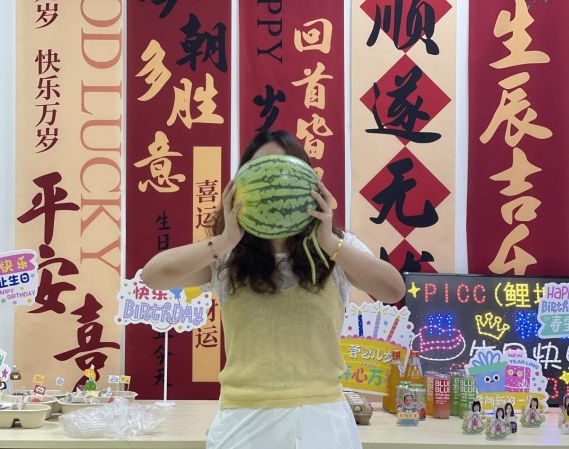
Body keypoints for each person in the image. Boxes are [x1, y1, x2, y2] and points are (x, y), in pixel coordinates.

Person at [141, 130, 406, 449]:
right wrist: (224, 241)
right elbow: (153, 276)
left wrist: (329, 242)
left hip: (322, 417)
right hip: (243, 416)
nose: (276, 181)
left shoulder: (336, 248)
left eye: (286, 169)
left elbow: (393, 290)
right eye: (262, 169)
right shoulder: (227, 255)